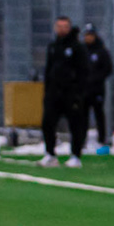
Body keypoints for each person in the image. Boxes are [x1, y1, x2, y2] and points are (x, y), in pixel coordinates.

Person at [39, 16, 87, 169]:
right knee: (48, 123)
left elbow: (83, 72)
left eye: (65, 26)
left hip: (71, 93)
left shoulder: (77, 47)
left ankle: (75, 156)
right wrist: (47, 90)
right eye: (59, 26)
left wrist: (79, 93)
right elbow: (48, 69)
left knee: (75, 124)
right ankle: (50, 154)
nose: (62, 29)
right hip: (54, 93)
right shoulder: (53, 46)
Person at [81, 23, 113, 147]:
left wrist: (96, 79)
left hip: (97, 89)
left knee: (99, 113)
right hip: (84, 89)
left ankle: (101, 139)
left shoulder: (101, 51)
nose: (88, 37)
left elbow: (108, 69)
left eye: (91, 35)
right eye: (87, 35)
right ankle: (82, 140)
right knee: (83, 115)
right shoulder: (82, 50)